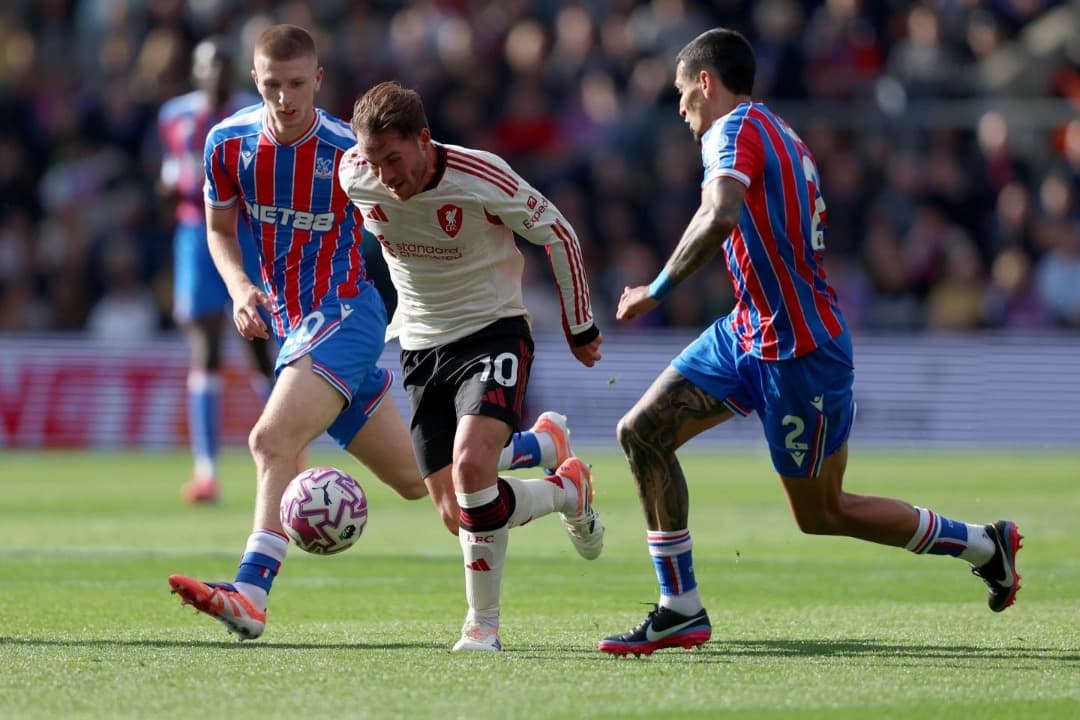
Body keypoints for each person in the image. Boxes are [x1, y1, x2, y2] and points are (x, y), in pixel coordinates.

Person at [598, 28, 1023, 657]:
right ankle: (679, 606)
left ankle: (984, 545)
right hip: (747, 330)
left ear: (707, 84)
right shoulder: (778, 131)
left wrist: (655, 290)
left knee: (822, 513)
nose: (683, 113)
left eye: (684, 96)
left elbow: (720, 214)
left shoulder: (732, 130)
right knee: (642, 433)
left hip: (799, 351)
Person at [167, 26, 576, 641]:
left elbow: (419, 189)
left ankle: (251, 592)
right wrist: (239, 287)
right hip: (293, 328)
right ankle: (546, 456)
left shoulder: (347, 152)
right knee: (421, 484)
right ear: (255, 81)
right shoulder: (226, 144)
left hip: (347, 314)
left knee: (271, 439)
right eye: (272, 85)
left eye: (297, 84)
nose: (285, 98)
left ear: (318, 80)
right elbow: (220, 230)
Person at [341, 80, 605, 652]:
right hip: (419, 345)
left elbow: (559, 234)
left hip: (493, 330)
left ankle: (482, 626)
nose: (384, 175)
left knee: (470, 468)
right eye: (373, 160)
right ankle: (565, 488)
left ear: (423, 140)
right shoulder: (353, 173)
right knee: (458, 513)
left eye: (393, 159)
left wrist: (580, 323)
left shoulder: (479, 175)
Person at [157, 37, 274, 504]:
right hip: (196, 234)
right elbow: (172, 170)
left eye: (224, 65)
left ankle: (287, 447)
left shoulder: (254, 113)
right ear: (195, 71)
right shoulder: (174, 115)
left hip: (244, 232)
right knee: (204, 347)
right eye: (209, 65)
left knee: (260, 344)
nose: (216, 73)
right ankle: (206, 471)